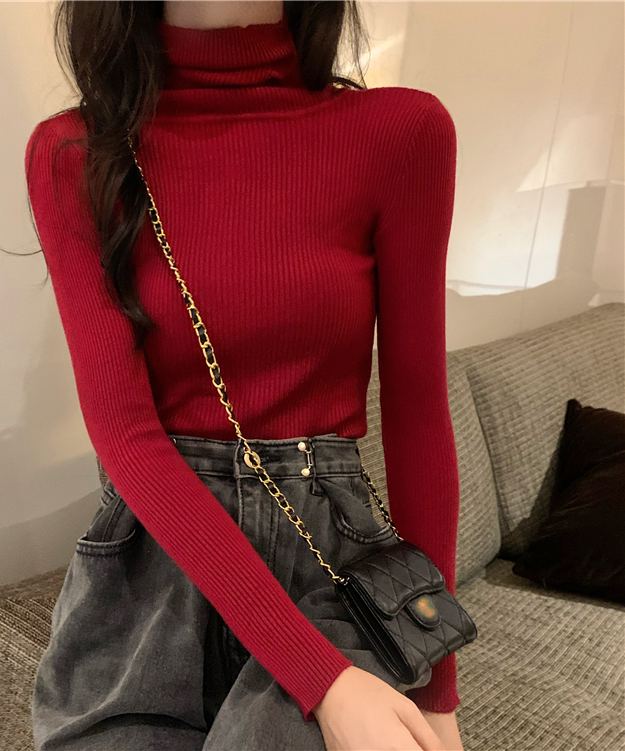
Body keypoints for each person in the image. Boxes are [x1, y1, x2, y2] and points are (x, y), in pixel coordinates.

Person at [26, 1, 464, 749]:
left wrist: (437, 691)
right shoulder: (75, 152)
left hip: (333, 567)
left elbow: (418, 414)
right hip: (155, 571)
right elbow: (127, 438)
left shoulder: (401, 133)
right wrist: (321, 678)